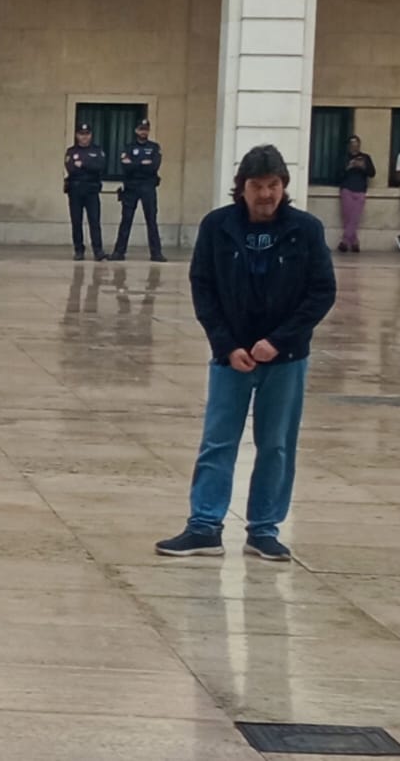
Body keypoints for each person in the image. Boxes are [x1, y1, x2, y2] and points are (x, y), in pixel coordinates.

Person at [157, 145, 337, 563]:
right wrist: (226, 344)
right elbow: (203, 287)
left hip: (285, 358)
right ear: (242, 188)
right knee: (218, 442)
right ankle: (204, 526)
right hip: (231, 356)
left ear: (284, 187)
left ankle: (264, 529)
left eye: (273, 185)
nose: (266, 195)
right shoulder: (217, 226)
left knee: (276, 444)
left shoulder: (306, 229)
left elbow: (321, 292)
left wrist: (279, 341)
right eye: (257, 186)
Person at [112, 117, 165, 262]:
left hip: (148, 186)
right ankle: (119, 252)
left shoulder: (154, 147)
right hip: (131, 186)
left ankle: (156, 253)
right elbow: (125, 166)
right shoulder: (128, 147)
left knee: (151, 220)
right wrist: (142, 163)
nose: (144, 132)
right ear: (136, 130)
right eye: (141, 129)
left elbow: (154, 166)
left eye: (146, 129)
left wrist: (135, 164)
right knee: (126, 220)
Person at [64, 122, 108, 262]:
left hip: (91, 190)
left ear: (91, 135)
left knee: (94, 221)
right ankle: (79, 250)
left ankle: (98, 251)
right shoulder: (71, 151)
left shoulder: (97, 150)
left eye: (87, 134)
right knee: (76, 221)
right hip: (75, 190)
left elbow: (100, 166)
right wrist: (89, 165)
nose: (84, 137)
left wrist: (83, 164)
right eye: (81, 134)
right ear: (77, 135)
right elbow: (71, 168)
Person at [337, 135, 375, 253]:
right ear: (349, 146)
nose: (354, 147)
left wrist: (363, 167)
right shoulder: (344, 158)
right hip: (347, 189)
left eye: (356, 144)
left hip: (360, 190)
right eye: (352, 144)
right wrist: (349, 166)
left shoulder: (365, 157)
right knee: (348, 217)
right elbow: (338, 175)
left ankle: (345, 242)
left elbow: (372, 173)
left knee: (355, 217)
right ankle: (354, 242)